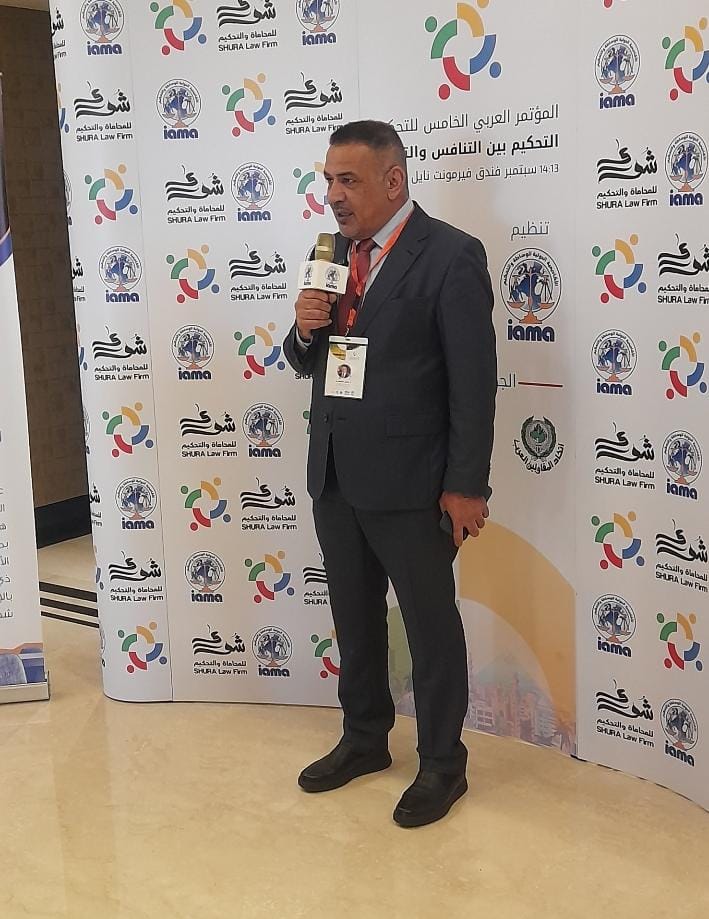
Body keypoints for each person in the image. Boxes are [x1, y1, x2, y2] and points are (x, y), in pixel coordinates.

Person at [283, 120, 496, 828]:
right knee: (354, 617)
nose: (333, 195)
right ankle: (365, 737)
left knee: (430, 628)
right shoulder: (331, 255)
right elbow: (309, 359)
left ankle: (442, 763)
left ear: (393, 180)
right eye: (328, 180)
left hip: (413, 483)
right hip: (335, 476)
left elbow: (473, 383)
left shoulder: (451, 256)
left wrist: (465, 486)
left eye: (348, 180)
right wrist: (304, 329)